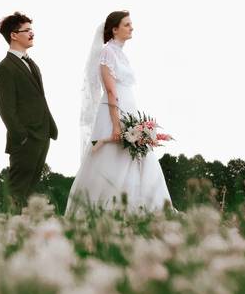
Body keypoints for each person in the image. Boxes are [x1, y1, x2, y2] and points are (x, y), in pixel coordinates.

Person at [65, 11, 173, 215]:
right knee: (113, 158)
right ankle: (106, 209)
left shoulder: (121, 53)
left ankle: (140, 208)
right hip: (114, 114)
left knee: (136, 158)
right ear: (114, 29)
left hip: (129, 112)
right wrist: (116, 125)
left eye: (131, 24)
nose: (131, 28)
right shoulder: (107, 52)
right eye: (127, 24)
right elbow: (111, 90)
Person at [0, 12, 58, 208]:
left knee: (30, 191)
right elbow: (5, 106)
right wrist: (20, 135)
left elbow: (39, 99)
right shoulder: (4, 68)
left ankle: (26, 232)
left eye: (32, 30)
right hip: (25, 138)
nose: (32, 34)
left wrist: (50, 127)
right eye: (27, 30)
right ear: (14, 35)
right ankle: (5, 230)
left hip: (42, 134)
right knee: (17, 190)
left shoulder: (32, 64)